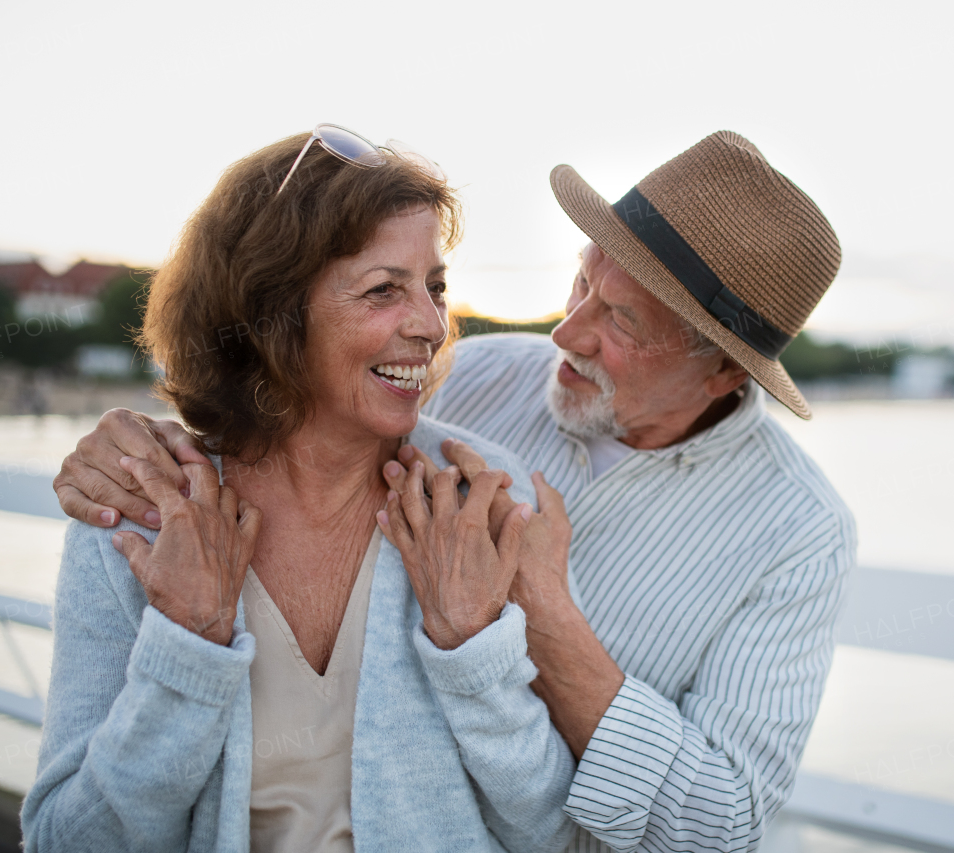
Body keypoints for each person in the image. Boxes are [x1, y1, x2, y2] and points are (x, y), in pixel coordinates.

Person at [53, 130, 856, 852]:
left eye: (622, 320)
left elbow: (716, 827)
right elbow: (300, 402)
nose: (565, 333)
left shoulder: (797, 529)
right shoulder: (473, 380)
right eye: (581, 284)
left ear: (722, 370)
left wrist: (529, 618)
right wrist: (128, 450)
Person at [23, 125, 576, 853]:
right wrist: (186, 647)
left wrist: (474, 650)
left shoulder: (478, 505)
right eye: (385, 290)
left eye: (434, 287)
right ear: (272, 315)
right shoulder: (136, 518)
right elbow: (66, 840)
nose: (432, 326)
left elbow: (548, 829)